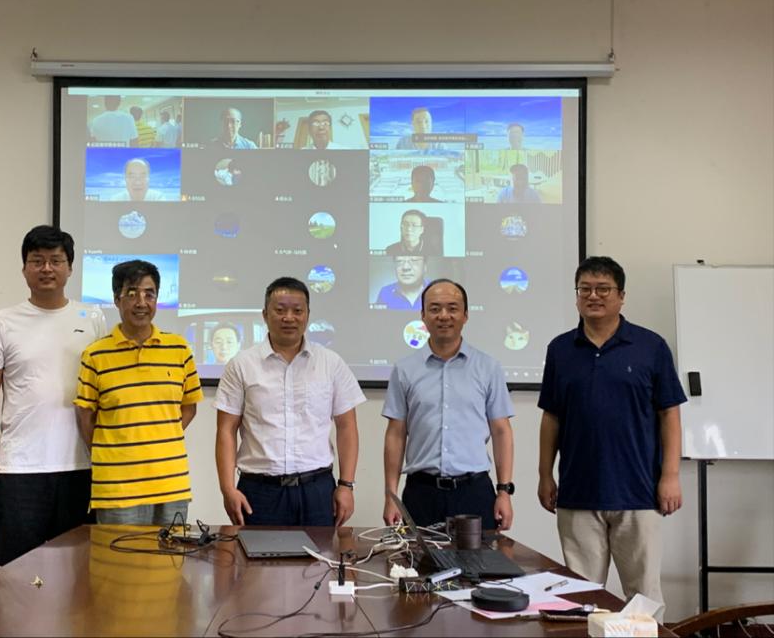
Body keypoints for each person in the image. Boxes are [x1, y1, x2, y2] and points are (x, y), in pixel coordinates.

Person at [538, 256, 686, 611]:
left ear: (621, 296)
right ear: (576, 296)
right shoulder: (560, 350)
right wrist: (545, 475)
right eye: (585, 289)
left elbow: (670, 414)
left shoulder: (650, 346)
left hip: (639, 491)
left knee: (643, 595)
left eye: (603, 289)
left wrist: (670, 476)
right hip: (578, 492)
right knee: (580, 598)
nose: (593, 296)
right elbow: (551, 417)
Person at [0, 225, 107, 565]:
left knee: (78, 569)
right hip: (21, 465)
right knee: (18, 571)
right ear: (24, 269)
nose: (47, 268)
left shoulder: (92, 318)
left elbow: (104, 389)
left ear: (70, 268)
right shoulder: (3, 322)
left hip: (81, 463)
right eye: (37, 261)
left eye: (56, 260)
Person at [215, 277, 365, 527]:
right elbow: (226, 430)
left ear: (307, 315)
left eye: (297, 310)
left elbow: (347, 426)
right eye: (280, 310)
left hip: (317, 490)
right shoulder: (241, 365)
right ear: (265, 315)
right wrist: (227, 488)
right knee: (257, 555)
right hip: (260, 492)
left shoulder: (331, 363)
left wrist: (346, 485)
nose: (289, 318)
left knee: (320, 554)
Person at [74, 259, 203, 525]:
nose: (141, 302)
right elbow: (85, 416)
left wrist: (158, 437)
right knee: (118, 553)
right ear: (116, 299)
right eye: (131, 293)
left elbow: (189, 407)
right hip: (117, 487)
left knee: (171, 552)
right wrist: (115, 449)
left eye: (149, 294)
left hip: (171, 483)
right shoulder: (95, 355)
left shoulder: (179, 349)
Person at [383, 279, 515, 531]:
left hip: (474, 492)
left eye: (452, 308)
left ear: (465, 315)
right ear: (423, 315)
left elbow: (501, 431)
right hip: (421, 493)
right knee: (417, 557)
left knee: (481, 557)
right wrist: (391, 496)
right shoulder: (405, 369)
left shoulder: (488, 367)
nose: (444, 316)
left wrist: (504, 492)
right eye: (435, 309)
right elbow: (396, 434)